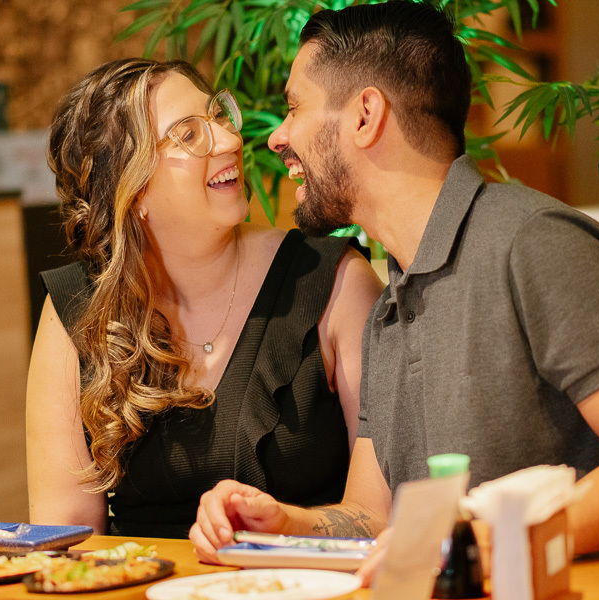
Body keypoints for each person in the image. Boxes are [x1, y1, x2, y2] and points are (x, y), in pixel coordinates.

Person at [190, 0, 599, 572]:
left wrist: (494, 542)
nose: (277, 137)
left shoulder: (534, 243)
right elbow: (374, 516)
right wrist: (282, 525)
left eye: (294, 108)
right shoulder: (388, 303)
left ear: (366, 115)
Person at [25, 58, 385, 538]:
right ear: (134, 192)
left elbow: (384, 517)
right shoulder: (79, 310)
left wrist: (287, 524)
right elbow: (65, 541)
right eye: (189, 135)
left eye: (218, 116)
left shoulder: (333, 282)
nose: (231, 140)